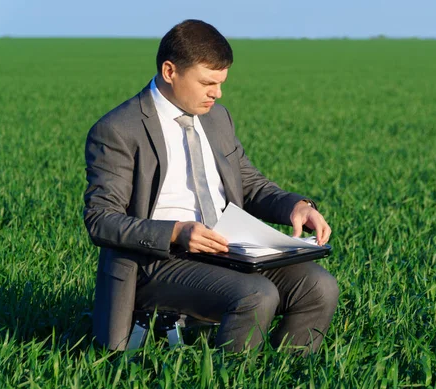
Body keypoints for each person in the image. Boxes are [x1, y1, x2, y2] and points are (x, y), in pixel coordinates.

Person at [83, 19, 339, 354]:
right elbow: (101, 220)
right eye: (207, 82)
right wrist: (175, 232)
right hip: (157, 262)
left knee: (320, 286)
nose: (217, 93)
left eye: (221, 83)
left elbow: (250, 184)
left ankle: (287, 372)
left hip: (228, 249)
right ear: (169, 70)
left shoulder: (217, 118)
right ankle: (232, 378)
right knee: (256, 294)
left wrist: (297, 206)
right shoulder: (118, 129)